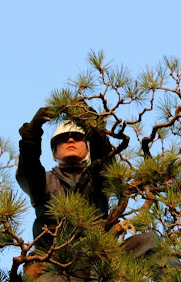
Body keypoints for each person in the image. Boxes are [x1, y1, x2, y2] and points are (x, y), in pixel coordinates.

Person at [16, 107, 112, 249]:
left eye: (78, 138)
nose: (71, 140)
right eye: (63, 139)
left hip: (96, 255)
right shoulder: (43, 181)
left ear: (88, 151)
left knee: (149, 240)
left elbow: (104, 159)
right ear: (54, 153)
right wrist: (32, 132)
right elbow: (28, 167)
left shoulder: (97, 179)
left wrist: (92, 124)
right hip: (53, 259)